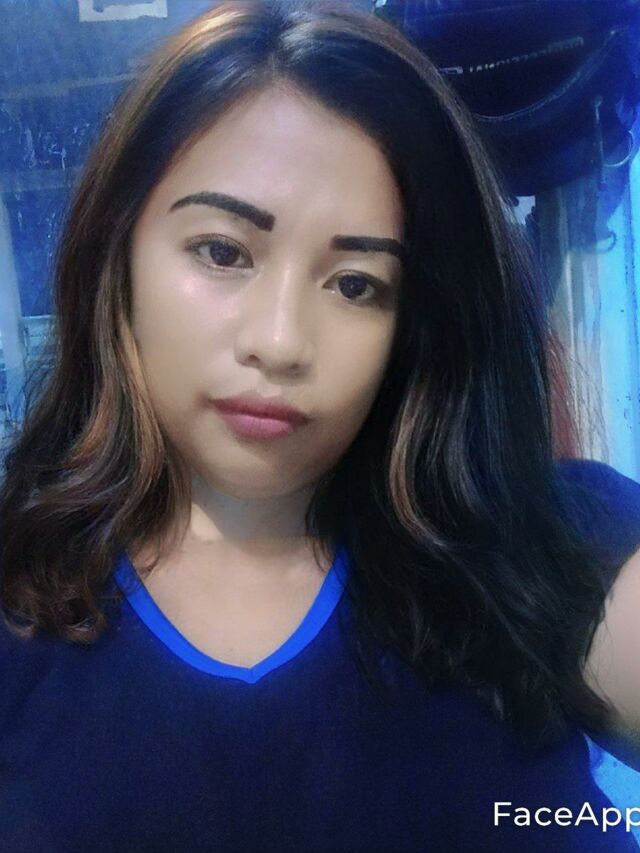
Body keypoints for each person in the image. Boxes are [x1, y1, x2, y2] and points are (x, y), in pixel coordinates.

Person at [0, 1, 638, 850]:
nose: (280, 343)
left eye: (356, 284)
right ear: (117, 258)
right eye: (223, 250)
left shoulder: (541, 546)